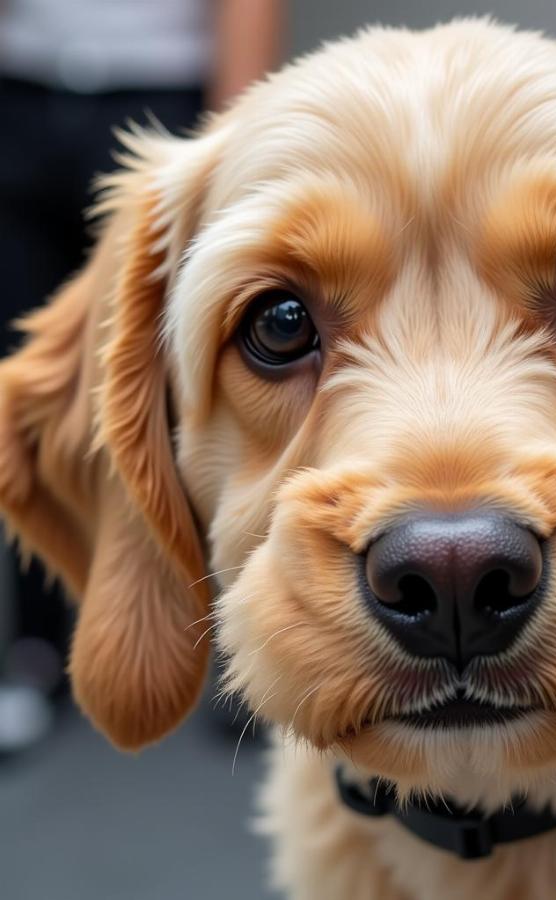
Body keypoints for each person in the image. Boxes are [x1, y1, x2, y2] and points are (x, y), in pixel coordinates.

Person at [0, 0, 284, 754]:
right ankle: (36, 649)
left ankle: (247, 645)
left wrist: (235, 144)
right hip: (21, 91)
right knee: (28, 374)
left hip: (163, 98)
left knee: (208, 383)